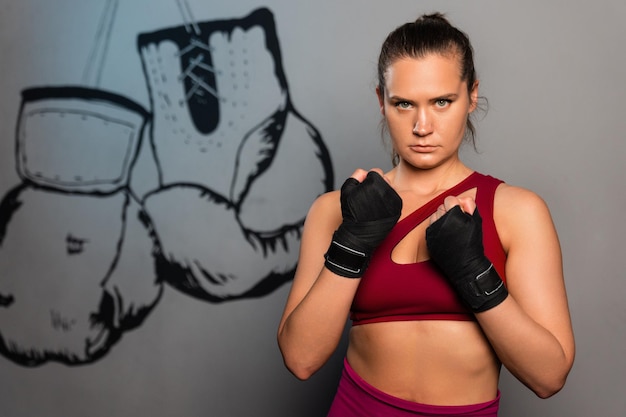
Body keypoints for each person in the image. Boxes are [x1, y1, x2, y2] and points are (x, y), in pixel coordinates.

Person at [277, 12, 575, 417]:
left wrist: (474, 272)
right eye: (404, 104)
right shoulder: (336, 209)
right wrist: (352, 241)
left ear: (471, 95)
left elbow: (549, 376)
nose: (422, 125)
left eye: (441, 101)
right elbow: (300, 359)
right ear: (382, 101)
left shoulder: (516, 211)